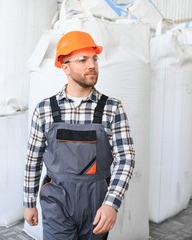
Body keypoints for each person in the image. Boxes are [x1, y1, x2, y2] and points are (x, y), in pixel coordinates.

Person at [23, 31, 135, 240]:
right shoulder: (45, 109)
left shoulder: (112, 108)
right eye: (82, 59)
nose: (91, 64)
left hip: (96, 202)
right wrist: (29, 202)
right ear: (65, 66)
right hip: (57, 200)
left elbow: (126, 158)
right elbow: (33, 159)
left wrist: (112, 203)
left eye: (94, 58)